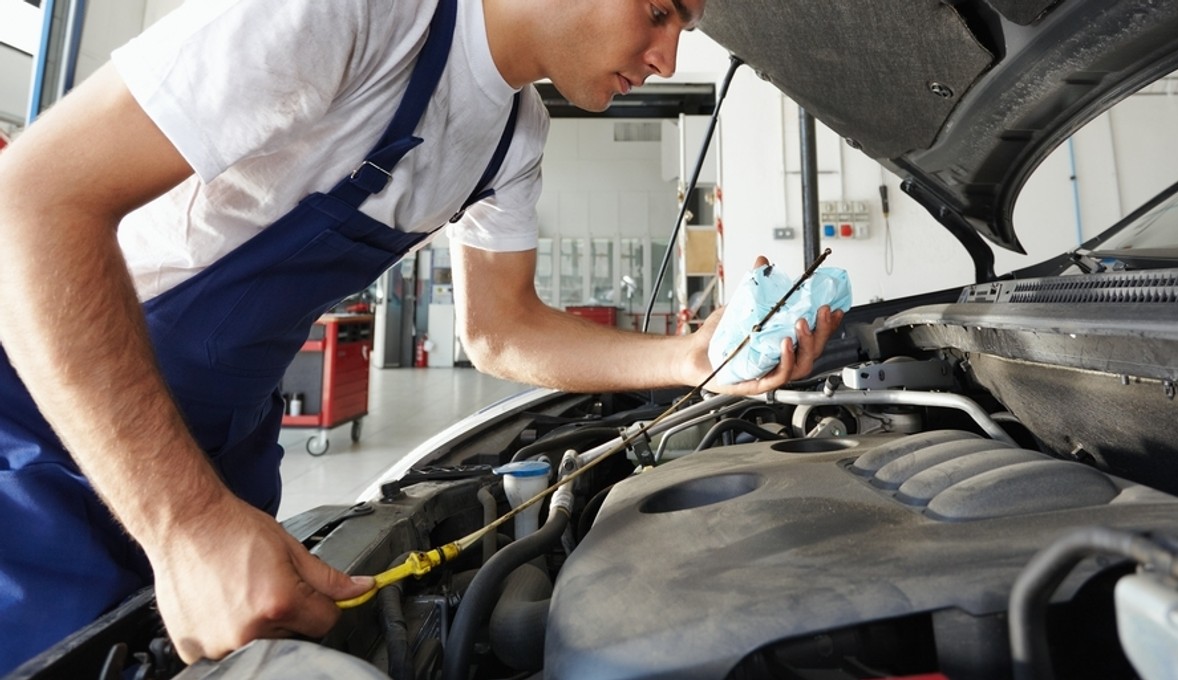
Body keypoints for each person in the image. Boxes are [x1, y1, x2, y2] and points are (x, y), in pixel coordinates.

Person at [0, 0, 842, 672]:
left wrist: (692, 359)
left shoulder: (514, 136)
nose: (667, 57)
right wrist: (184, 522)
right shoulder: (353, 15)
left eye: (682, 28)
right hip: (55, 410)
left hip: (222, 439)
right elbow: (31, 202)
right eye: (659, 11)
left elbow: (501, 331)